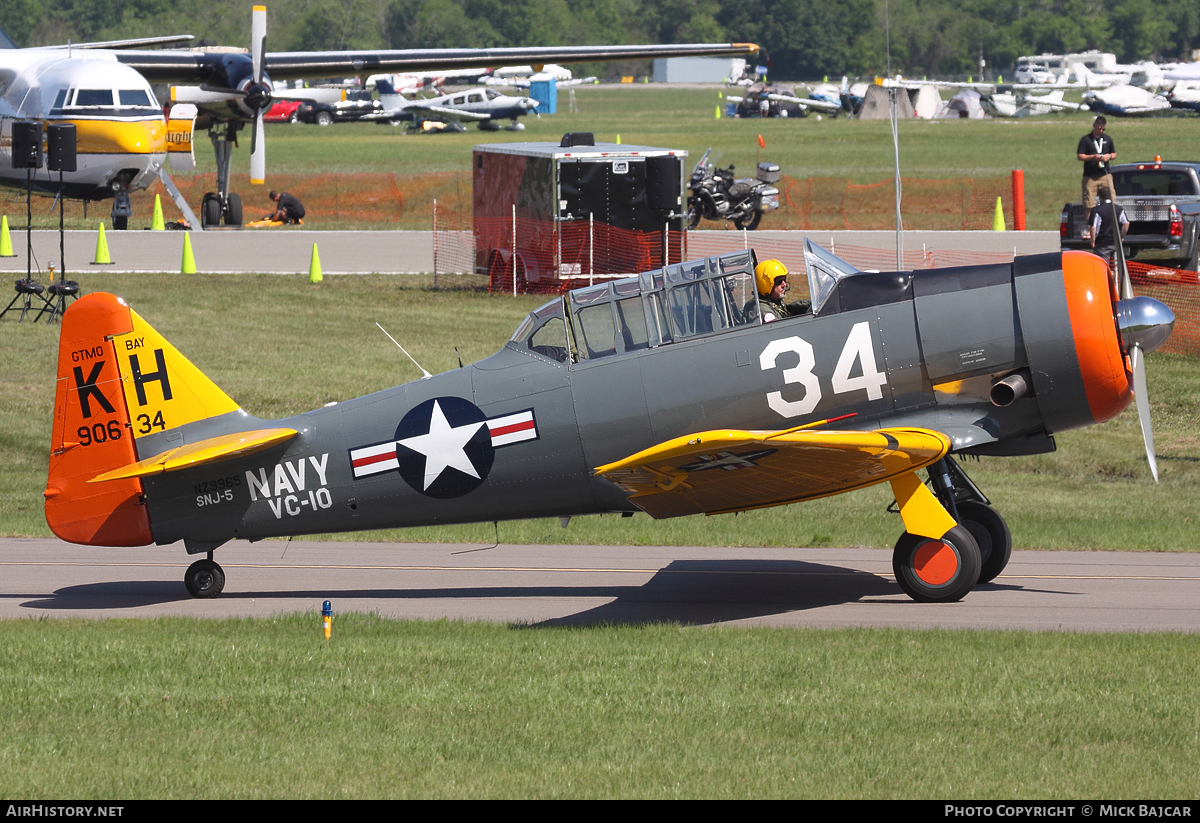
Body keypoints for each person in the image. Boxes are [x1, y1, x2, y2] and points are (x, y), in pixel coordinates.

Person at [1077, 116, 1116, 211]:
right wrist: (1093, 157)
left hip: (1104, 175)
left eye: (1103, 129)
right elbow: (1080, 156)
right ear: (1094, 125)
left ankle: (1109, 224)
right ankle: (1091, 225)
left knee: (1111, 202)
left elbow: (1114, 154)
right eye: (1099, 128)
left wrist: (1109, 156)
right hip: (1090, 177)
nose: (1101, 130)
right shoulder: (1086, 139)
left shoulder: (1108, 139)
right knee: (1089, 204)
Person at [1089, 198, 1129, 266]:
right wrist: (1122, 236)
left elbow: (1093, 227)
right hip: (1116, 242)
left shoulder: (1097, 210)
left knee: (1102, 266)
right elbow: (1126, 223)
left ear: (1101, 197)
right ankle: (1116, 275)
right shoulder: (1119, 209)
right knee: (1117, 266)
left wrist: (1093, 240)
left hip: (1102, 243)